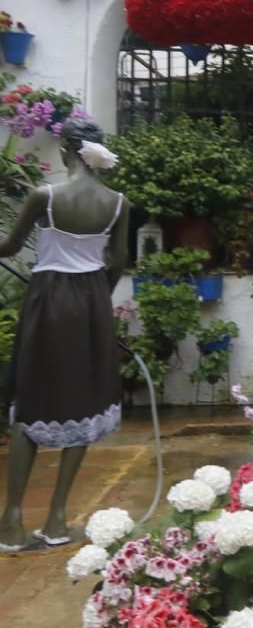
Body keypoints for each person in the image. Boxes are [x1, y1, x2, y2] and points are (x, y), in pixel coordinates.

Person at [0, 117, 128, 551]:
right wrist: (98, 298)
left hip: (49, 299)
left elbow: (11, 248)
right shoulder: (117, 202)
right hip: (93, 301)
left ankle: (12, 522)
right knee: (85, 403)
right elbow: (119, 259)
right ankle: (56, 520)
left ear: (67, 150)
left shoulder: (45, 195)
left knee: (30, 398)